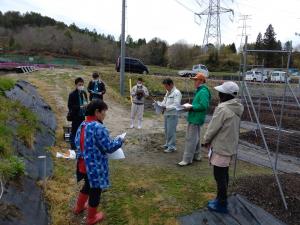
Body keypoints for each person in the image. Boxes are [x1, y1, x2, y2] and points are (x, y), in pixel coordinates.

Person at [73, 100, 124, 225]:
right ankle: (91, 218)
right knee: (96, 190)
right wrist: (120, 140)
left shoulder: (83, 124)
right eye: (104, 112)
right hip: (94, 167)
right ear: (97, 112)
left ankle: (78, 208)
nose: (105, 115)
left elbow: (76, 142)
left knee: (87, 185)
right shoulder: (98, 127)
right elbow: (108, 147)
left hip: (82, 164)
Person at [203, 81, 244, 213]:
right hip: (230, 146)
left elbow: (213, 127)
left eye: (221, 92)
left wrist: (206, 140)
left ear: (226, 95)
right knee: (224, 173)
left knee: (219, 175)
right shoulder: (237, 107)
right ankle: (221, 198)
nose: (219, 94)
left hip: (221, 146)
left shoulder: (223, 108)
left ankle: (221, 202)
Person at [178, 73, 211, 166]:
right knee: (196, 137)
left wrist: (191, 107)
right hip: (195, 117)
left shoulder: (203, 91)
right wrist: (191, 107)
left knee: (190, 139)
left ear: (201, 81)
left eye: (195, 80)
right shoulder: (200, 90)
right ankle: (197, 155)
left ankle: (187, 159)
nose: (194, 82)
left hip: (196, 118)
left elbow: (204, 105)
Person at [161, 78, 182, 153]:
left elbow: (176, 104)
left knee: (171, 131)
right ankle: (167, 144)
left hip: (173, 114)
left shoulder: (177, 93)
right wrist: (160, 104)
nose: (165, 88)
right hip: (167, 113)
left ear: (171, 85)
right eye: (165, 86)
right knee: (167, 130)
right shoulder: (168, 92)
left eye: (166, 86)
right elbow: (164, 100)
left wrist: (166, 107)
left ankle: (172, 146)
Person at [68, 77, 88, 150]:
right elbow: (70, 106)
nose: (81, 86)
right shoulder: (72, 94)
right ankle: (73, 147)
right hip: (75, 116)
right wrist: (80, 107)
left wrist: (86, 106)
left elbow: (86, 102)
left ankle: (80, 145)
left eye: (82, 85)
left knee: (82, 131)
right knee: (74, 131)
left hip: (82, 116)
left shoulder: (84, 93)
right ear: (76, 85)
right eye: (80, 85)